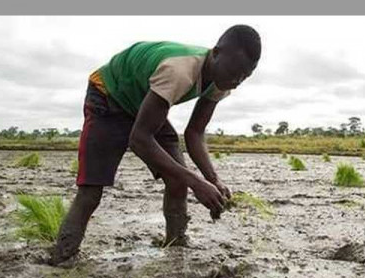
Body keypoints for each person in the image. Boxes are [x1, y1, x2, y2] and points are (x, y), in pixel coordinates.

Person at [49, 25, 261, 265]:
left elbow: (194, 133)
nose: (236, 81)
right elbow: (139, 140)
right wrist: (196, 183)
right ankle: (62, 259)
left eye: (244, 77)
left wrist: (213, 180)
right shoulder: (179, 71)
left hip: (143, 103)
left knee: (178, 181)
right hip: (108, 96)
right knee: (90, 192)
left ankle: (175, 249)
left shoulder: (222, 83)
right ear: (216, 52)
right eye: (233, 72)